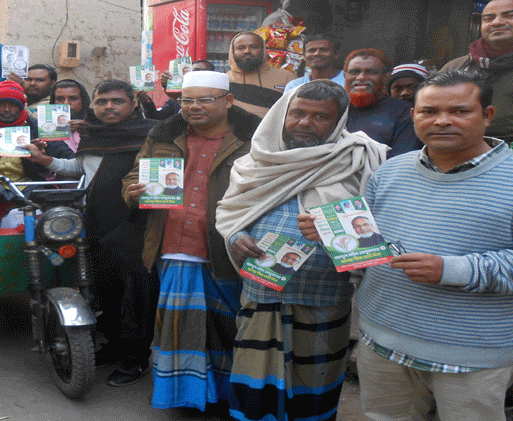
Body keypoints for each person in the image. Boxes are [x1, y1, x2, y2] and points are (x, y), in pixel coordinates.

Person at [334, 70, 513, 421]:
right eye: (428, 112)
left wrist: (450, 270)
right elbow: (368, 250)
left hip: (472, 358)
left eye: (459, 111)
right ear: (413, 116)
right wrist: (333, 237)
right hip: (382, 344)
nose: (442, 121)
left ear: (487, 115)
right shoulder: (390, 172)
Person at [217, 79, 387, 421]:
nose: (306, 123)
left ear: (339, 120)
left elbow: (376, 236)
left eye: (320, 116)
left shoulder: (359, 160)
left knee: (314, 390)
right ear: (283, 115)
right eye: (298, 113)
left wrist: (332, 237)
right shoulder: (255, 163)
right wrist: (236, 236)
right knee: (254, 387)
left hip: (323, 301)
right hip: (261, 294)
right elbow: (230, 211)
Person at [122, 70, 259, 413]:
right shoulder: (164, 133)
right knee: (180, 330)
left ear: (227, 102)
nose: (194, 107)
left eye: (204, 99)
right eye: (186, 100)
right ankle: (186, 397)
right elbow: (134, 174)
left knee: (227, 329)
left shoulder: (254, 139)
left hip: (226, 249)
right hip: (173, 245)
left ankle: (227, 396)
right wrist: (133, 190)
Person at [26, 78, 155, 386]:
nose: (109, 107)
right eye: (103, 101)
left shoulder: (152, 133)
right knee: (106, 289)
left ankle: (135, 358)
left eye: (117, 101)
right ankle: (113, 345)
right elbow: (79, 169)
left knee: (135, 294)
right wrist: (46, 160)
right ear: (93, 105)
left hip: (137, 225)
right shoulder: (92, 136)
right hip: (98, 224)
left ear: (133, 103)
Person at [0, 80, 73, 228]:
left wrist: (40, 155)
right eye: (1, 105)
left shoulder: (35, 126)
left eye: (12, 105)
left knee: (50, 197)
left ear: (21, 107)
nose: (6, 109)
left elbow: (64, 154)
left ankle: (49, 236)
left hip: (27, 182)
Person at [441, 0, 513, 156]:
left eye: (511, 16)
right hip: (457, 155)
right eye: (489, 18)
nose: (497, 22)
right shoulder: (458, 66)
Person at [343, 48, 423, 157]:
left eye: (371, 72)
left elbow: (400, 160)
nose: (361, 77)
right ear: (345, 76)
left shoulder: (404, 112)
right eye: (354, 72)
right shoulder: (335, 108)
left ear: (385, 77)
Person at [226, 32, 296, 118]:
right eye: (240, 48)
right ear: (232, 52)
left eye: (254, 47)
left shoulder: (287, 77)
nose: (247, 51)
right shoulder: (225, 80)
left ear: (263, 50)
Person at [50, 79, 91, 152]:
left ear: (83, 100)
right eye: (60, 99)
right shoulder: (44, 126)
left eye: (73, 98)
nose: (66, 103)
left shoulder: (97, 121)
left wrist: (88, 130)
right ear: (53, 101)